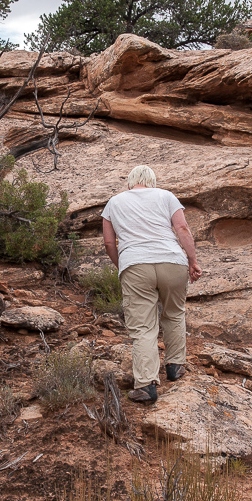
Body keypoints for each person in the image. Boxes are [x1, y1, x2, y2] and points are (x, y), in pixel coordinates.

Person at [101, 165, 202, 403]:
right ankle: (175, 367)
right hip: (172, 261)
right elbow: (182, 228)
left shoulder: (114, 203)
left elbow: (108, 243)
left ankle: (146, 384)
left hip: (135, 264)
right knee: (175, 313)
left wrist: (123, 264)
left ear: (130, 181)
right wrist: (193, 261)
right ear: (152, 181)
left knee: (144, 327)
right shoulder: (166, 196)